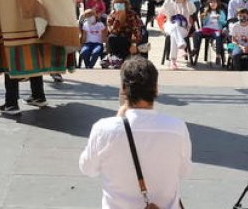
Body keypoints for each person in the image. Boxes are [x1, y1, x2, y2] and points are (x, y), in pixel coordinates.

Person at [79, 56, 191, 209]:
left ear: (124, 89)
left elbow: (87, 168)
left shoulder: (103, 129)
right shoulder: (177, 128)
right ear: (156, 88)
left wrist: (118, 119)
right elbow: (185, 171)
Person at [159, 0, 196, 69]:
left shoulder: (187, 3)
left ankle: (173, 61)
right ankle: (181, 47)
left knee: (174, 32)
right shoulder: (171, 2)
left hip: (183, 28)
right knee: (174, 26)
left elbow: (192, 11)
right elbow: (163, 10)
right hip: (169, 24)